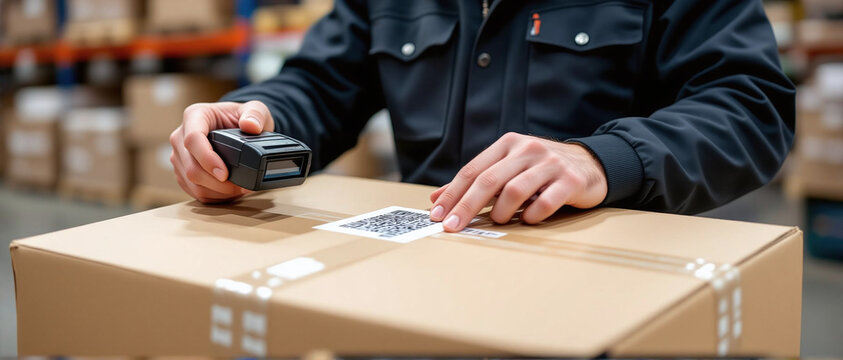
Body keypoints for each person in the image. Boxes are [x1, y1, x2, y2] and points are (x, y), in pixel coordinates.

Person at [169, 0, 795, 233]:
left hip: (600, 310)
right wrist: (256, 119)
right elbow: (324, 81)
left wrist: (604, 159)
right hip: (420, 294)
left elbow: (749, 105)